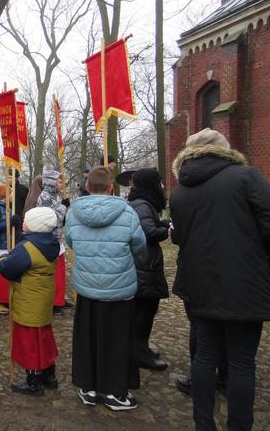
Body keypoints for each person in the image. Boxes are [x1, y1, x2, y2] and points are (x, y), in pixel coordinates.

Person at [169, 128, 270, 430]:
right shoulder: (246, 177)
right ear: (224, 149)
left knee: (204, 356)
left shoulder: (179, 191)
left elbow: (181, 239)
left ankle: (204, 424)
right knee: (241, 360)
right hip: (244, 282)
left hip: (198, 282)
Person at [65, 166, 146, 411]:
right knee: (118, 340)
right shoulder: (128, 213)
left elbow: (70, 241)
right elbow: (139, 245)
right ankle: (115, 392)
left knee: (87, 337)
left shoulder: (73, 212)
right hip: (118, 288)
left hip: (88, 286)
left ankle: (88, 388)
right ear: (112, 187)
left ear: (87, 186)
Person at [0, 207, 60, 395]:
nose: (22, 223)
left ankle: (33, 381)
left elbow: (8, 268)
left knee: (29, 342)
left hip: (28, 302)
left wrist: (3, 259)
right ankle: (49, 375)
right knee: (44, 338)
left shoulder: (27, 249)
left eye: (26, 220)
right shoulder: (52, 244)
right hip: (42, 300)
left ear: (35, 225)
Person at [127, 168, 170, 371]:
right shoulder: (142, 205)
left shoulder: (142, 205)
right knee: (144, 312)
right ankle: (138, 352)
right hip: (143, 265)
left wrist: (162, 223)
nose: (162, 186)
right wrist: (167, 230)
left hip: (144, 264)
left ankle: (140, 348)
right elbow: (148, 232)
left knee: (145, 311)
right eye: (159, 183)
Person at [36, 169, 70, 314]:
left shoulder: (56, 196)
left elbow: (61, 220)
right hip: (48, 239)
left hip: (57, 238)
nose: (62, 183)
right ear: (50, 182)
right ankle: (53, 303)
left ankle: (59, 298)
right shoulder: (44, 197)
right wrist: (63, 206)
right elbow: (52, 218)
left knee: (60, 272)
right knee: (53, 273)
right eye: (59, 180)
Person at [0, 182, 20, 315]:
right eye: (11, 193)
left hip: (6, 244)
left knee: (5, 275)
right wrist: (8, 223)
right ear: (4, 195)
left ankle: (5, 299)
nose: (13, 195)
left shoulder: (6, 207)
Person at [12, 170, 29, 243]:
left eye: (11, 177)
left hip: (21, 220)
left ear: (16, 177)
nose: (10, 179)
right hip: (9, 220)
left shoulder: (24, 190)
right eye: (8, 177)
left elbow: (27, 205)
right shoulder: (5, 190)